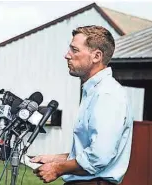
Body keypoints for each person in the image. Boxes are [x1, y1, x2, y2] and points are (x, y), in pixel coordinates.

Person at [30, 25, 133, 185]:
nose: (67, 55)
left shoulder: (106, 94)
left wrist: (58, 168)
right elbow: (90, 151)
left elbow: (99, 156)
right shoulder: (94, 92)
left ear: (96, 56)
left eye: (75, 50)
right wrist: (53, 159)